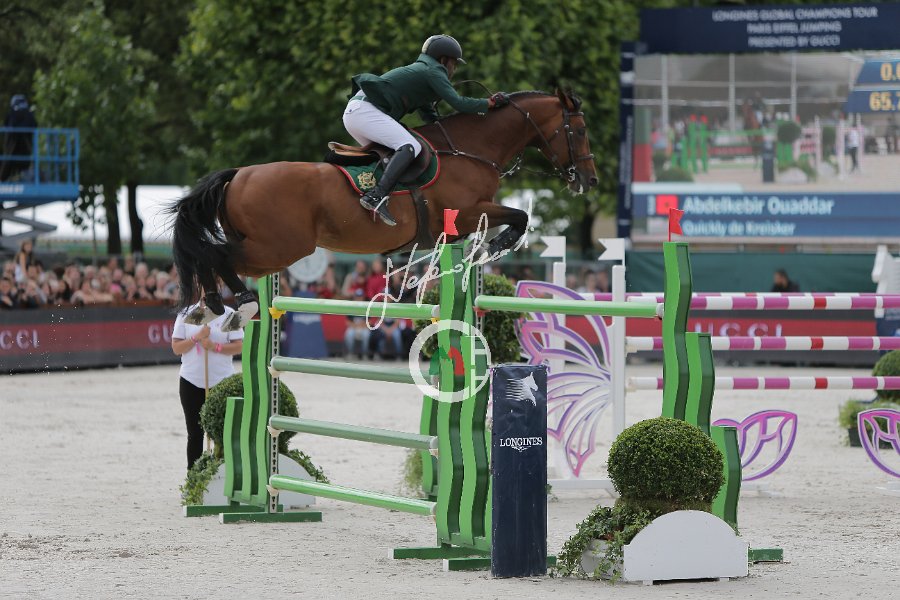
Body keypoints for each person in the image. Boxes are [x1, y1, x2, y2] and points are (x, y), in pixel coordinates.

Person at [343, 34, 509, 226]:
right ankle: (376, 196)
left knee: (394, 159)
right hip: (365, 111)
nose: (454, 69)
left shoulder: (424, 71)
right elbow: (459, 103)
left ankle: (377, 195)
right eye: (454, 63)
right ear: (443, 60)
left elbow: (429, 115)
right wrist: (489, 103)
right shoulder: (434, 70)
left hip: (358, 113)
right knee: (410, 146)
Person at [171, 297, 244, 470]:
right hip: (191, 381)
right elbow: (176, 348)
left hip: (222, 382)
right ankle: (194, 477)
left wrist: (214, 346)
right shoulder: (186, 313)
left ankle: (223, 474)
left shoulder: (230, 314)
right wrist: (196, 337)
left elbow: (239, 346)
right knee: (195, 434)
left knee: (222, 433)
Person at [1, 94, 38, 182]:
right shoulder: (29, 115)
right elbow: (35, 126)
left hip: (11, 152)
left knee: (5, 173)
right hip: (25, 152)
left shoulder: (11, 114)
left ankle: (3, 180)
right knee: (25, 173)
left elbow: (6, 125)